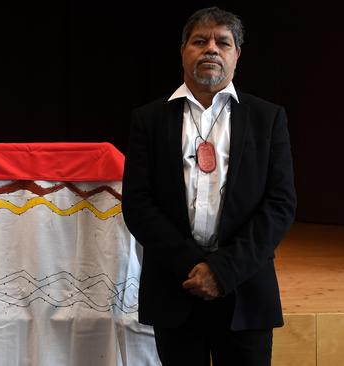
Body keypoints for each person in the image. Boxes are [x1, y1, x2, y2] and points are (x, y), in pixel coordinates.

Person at [122, 7, 297, 366]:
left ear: (237, 54)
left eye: (223, 42)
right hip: (175, 286)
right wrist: (194, 267)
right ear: (183, 51)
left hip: (246, 290)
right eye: (200, 41)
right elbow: (138, 204)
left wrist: (223, 271)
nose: (211, 49)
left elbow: (280, 203)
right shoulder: (149, 120)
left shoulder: (268, 118)